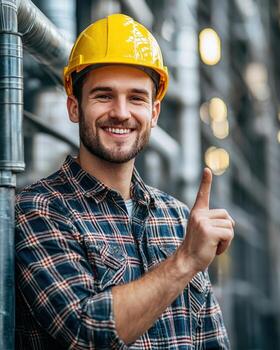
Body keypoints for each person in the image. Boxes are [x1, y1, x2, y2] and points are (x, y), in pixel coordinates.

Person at [15, 13, 234, 349]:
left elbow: (211, 341)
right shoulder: (38, 211)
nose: (121, 112)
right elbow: (88, 333)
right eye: (104, 96)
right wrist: (184, 261)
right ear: (75, 107)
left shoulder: (178, 220)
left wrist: (186, 252)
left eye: (136, 98)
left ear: (154, 113)